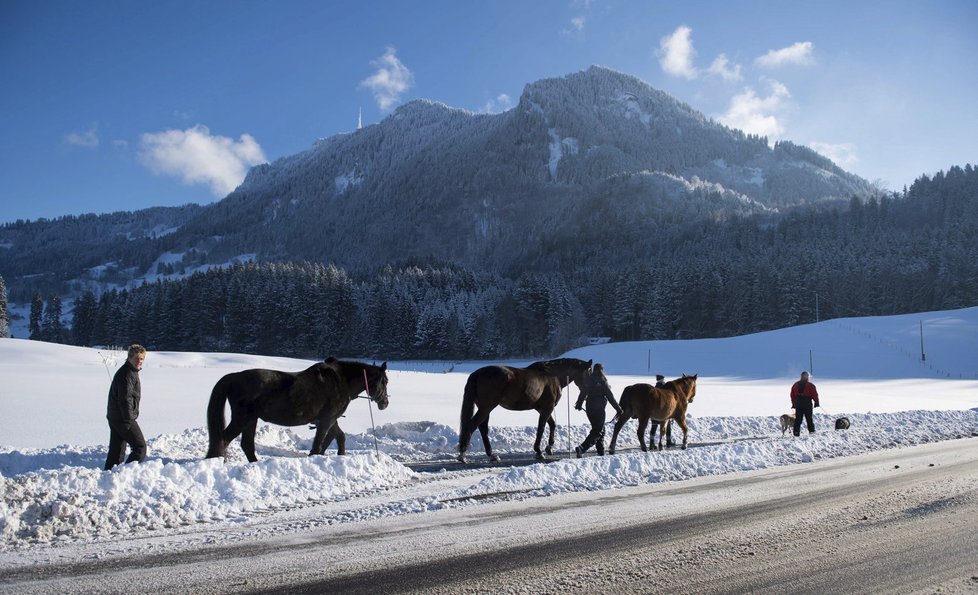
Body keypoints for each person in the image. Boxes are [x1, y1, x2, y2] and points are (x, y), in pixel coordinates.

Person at [104, 344, 148, 470]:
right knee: (140, 447)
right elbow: (125, 398)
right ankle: (126, 474)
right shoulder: (127, 374)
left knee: (116, 452)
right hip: (123, 418)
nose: (140, 361)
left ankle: (109, 477)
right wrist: (129, 418)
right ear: (129, 357)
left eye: (142, 359)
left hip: (115, 416)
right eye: (137, 358)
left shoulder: (131, 371)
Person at [575, 363, 623, 457]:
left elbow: (583, 392)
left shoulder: (589, 380)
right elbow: (610, 397)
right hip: (599, 410)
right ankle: (582, 448)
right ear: (602, 370)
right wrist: (619, 409)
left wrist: (579, 404)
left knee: (600, 429)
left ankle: (601, 452)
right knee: (597, 431)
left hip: (589, 409)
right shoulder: (602, 381)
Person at [648, 374, 675, 447]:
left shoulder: (654, 389)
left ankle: (651, 443)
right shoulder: (665, 388)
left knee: (653, 427)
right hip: (663, 411)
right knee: (667, 427)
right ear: (662, 380)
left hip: (654, 411)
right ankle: (668, 441)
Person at [790, 371, 819, 436]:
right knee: (809, 418)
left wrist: (794, 404)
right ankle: (812, 431)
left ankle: (796, 432)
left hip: (798, 403)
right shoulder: (811, 385)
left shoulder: (795, 385)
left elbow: (792, 395)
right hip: (807, 403)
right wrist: (816, 402)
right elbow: (814, 394)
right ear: (807, 377)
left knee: (798, 419)